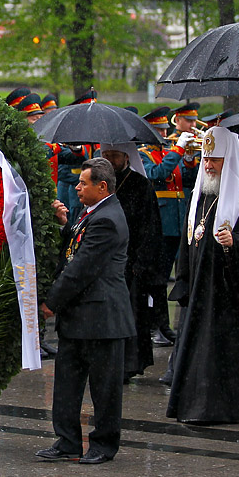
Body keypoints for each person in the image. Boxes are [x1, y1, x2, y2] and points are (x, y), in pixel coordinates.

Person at [166, 126, 239, 424]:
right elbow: (191, 237)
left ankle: (218, 406)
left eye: (215, 160)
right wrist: (184, 278)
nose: (208, 165)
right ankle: (191, 404)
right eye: (205, 158)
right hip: (200, 285)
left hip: (225, 289)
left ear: (230, 159)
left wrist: (236, 242)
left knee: (219, 350)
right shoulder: (200, 192)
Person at [36, 157, 135, 464]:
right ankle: (67, 441)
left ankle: (104, 444)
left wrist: (51, 302)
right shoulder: (91, 212)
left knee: (104, 388)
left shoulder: (107, 218)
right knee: (67, 383)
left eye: (83, 182)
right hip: (80, 317)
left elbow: (81, 268)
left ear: (102, 186)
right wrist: (66, 225)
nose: (77, 187)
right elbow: (74, 250)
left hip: (102, 318)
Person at [100, 143, 164, 382]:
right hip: (105, 260)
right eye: (105, 155)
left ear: (126, 157)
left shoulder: (140, 185)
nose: (109, 160)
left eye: (114, 156)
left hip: (131, 261)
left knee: (130, 316)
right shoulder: (100, 184)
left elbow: (150, 226)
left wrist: (142, 262)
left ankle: (127, 363)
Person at [139, 105, 198, 357]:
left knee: (174, 274)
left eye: (165, 128)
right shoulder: (144, 155)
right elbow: (158, 175)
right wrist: (177, 150)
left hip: (177, 219)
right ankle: (158, 325)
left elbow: (185, 178)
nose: (165, 132)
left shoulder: (167, 152)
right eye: (160, 129)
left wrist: (187, 158)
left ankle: (164, 325)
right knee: (158, 278)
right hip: (160, 222)